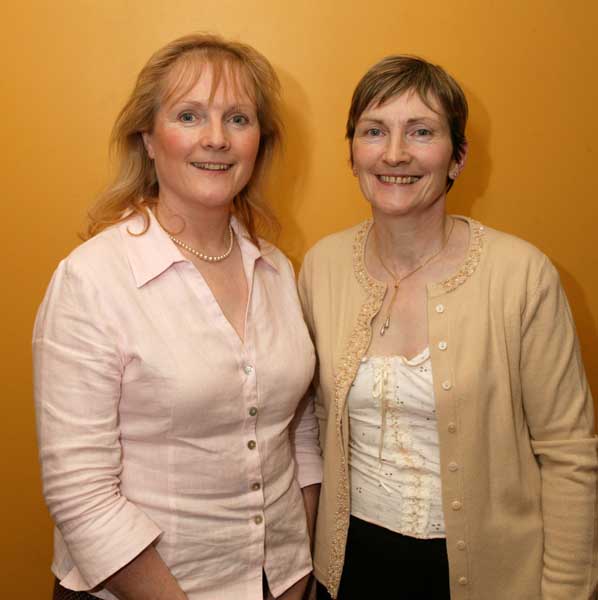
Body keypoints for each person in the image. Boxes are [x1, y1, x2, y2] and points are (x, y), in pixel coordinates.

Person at [33, 33, 321, 600]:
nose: (216, 139)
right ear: (147, 136)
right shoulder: (91, 280)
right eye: (189, 115)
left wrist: (296, 572)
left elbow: (299, 434)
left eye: (238, 118)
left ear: (259, 142)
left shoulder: (279, 270)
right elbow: (79, 492)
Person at [298, 55, 597, 600]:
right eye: (374, 131)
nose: (395, 153)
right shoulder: (322, 266)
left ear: (457, 157)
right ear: (352, 154)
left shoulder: (521, 274)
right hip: (349, 569)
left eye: (421, 131)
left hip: (491, 579)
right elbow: (315, 424)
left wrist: (569, 591)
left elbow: (569, 453)